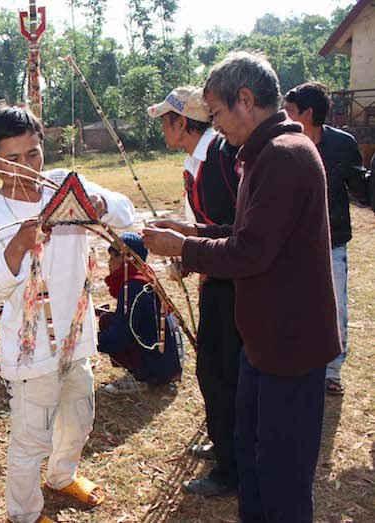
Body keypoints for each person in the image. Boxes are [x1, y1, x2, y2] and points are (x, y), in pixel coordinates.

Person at [143, 52, 340, 522]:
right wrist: (190, 233)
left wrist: (184, 249)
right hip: (265, 342)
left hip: (289, 348)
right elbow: (244, 232)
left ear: (246, 101)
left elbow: (250, 252)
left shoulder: (283, 156)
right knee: (255, 462)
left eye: (216, 114)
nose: (216, 126)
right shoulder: (264, 154)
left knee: (281, 478)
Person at [0, 105, 134, 523]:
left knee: (79, 416)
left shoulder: (61, 187)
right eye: (12, 159)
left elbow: (125, 212)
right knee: (31, 437)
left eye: (33, 154)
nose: (27, 168)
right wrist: (19, 244)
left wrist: (99, 203)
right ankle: (24, 513)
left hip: (76, 334)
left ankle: (63, 476)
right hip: (31, 350)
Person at [147, 86, 242, 497]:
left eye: (165, 120)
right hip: (215, 277)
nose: (161, 129)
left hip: (233, 283)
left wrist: (189, 249)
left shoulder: (220, 157)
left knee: (221, 371)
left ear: (182, 122)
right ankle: (225, 446)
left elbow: (234, 228)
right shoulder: (198, 159)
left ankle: (231, 468)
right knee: (213, 368)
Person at [284, 82, 363, 396]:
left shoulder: (343, 145)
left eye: (290, 111)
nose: (284, 117)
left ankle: (331, 371)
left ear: (308, 113)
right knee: (294, 306)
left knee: (335, 308)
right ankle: (298, 362)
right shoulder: (284, 145)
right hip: (292, 244)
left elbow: (359, 188)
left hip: (333, 243)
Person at [97, 232, 182, 394]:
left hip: (160, 365)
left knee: (108, 323)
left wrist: (91, 344)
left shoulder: (133, 286)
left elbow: (121, 335)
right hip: (168, 360)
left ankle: (143, 377)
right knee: (109, 319)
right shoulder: (144, 274)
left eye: (113, 257)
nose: (109, 263)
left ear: (126, 259)